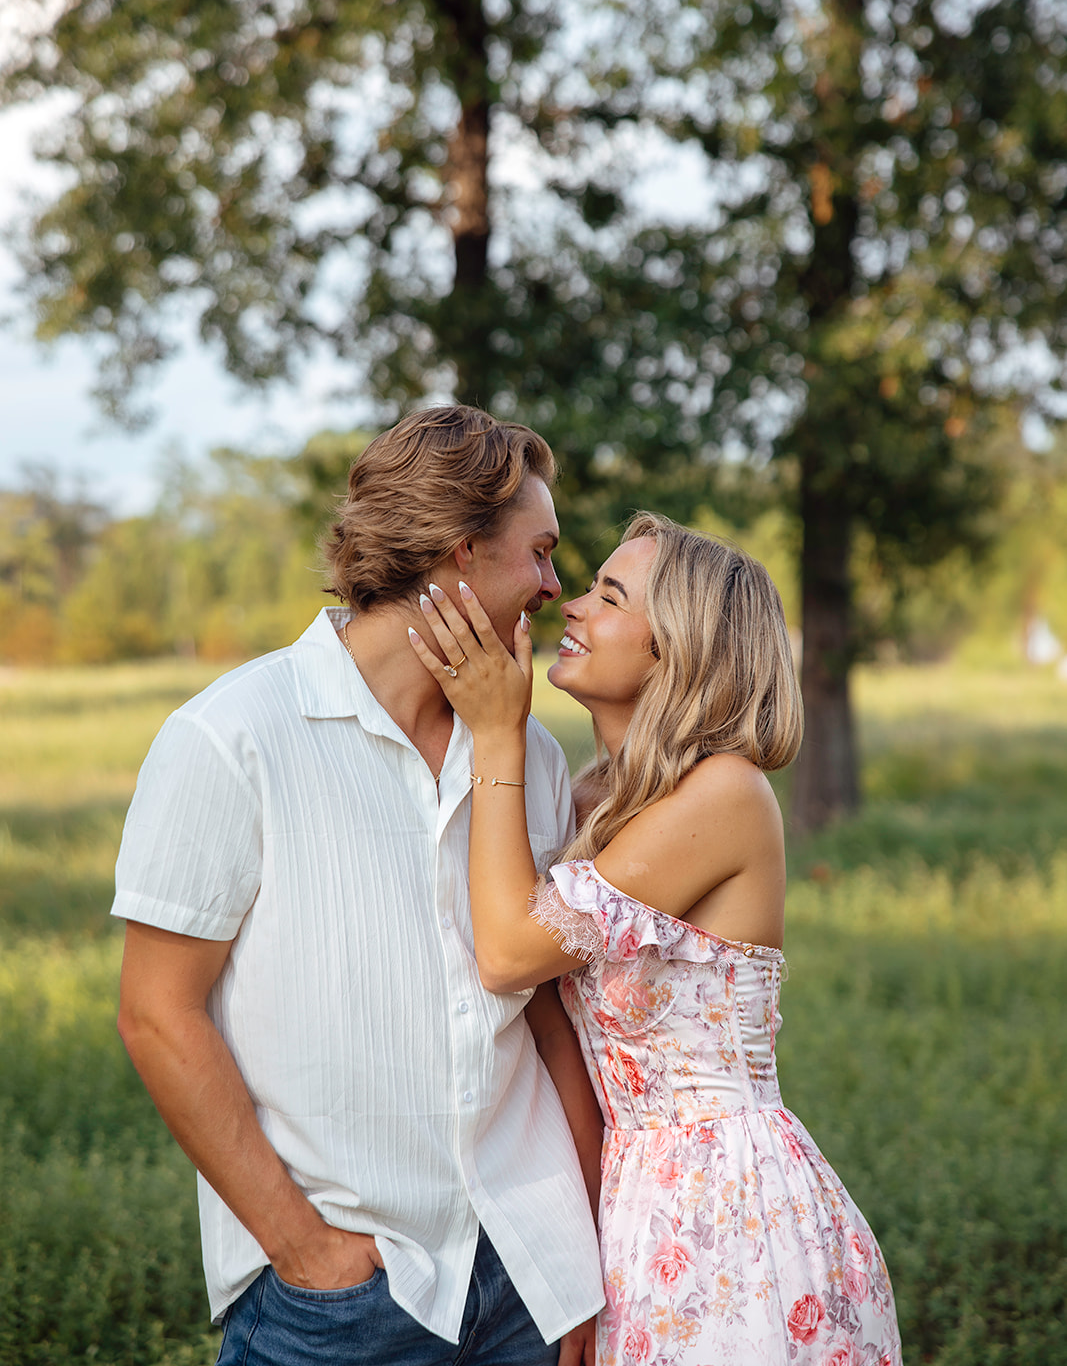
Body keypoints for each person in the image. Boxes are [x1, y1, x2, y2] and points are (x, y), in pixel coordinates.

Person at [112, 406, 604, 1366]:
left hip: (524, 1281)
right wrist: (305, 1250)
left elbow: (548, 1015)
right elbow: (156, 1015)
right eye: (540, 554)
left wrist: (579, 1256)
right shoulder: (232, 737)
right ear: (461, 551)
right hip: (340, 1300)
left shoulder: (531, 756)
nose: (554, 585)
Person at [409, 512, 903, 1366]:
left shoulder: (725, 796)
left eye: (609, 595)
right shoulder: (594, 801)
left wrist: (495, 732)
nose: (572, 606)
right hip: (632, 1205)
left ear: (673, 650)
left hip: (734, 1218)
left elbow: (508, 955)